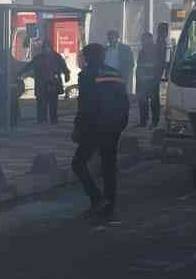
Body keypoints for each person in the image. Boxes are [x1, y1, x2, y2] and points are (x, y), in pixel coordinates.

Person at [72, 43, 131, 218]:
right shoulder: (115, 73)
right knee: (108, 167)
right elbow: (124, 100)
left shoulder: (86, 75)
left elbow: (85, 105)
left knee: (78, 163)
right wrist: (121, 123)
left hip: (95, 126)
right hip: (115, 125)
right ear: (103, 56)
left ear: (88, 57)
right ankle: (109, 207)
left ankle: (97, 199)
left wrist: (78, 128)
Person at [22, 38, 71, 125]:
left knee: (53, 103)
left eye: (47, 47)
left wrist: (67, 75)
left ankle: (52, 119)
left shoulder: (56, 57)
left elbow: (64, 66)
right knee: (42, 102)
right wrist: (21, 72)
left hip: (52, 83)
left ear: (50, 48)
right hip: (42, 83)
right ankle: (42, 119)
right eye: (45, 47)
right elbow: (29, 66)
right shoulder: (39, 58)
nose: (46, 49)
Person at [135, 30, 163, 128]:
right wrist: (138, 79)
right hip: (142, 81)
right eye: (142, 39)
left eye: (144, 39)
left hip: (152, 81)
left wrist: (157, 79)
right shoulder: (141, 51)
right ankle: (143, 121)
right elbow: (139, 66)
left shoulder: (157, 51)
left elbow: (159, 66)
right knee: (142, 101)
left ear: (150, 40)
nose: (142, 41)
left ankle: (154, 121)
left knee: (154, 102)